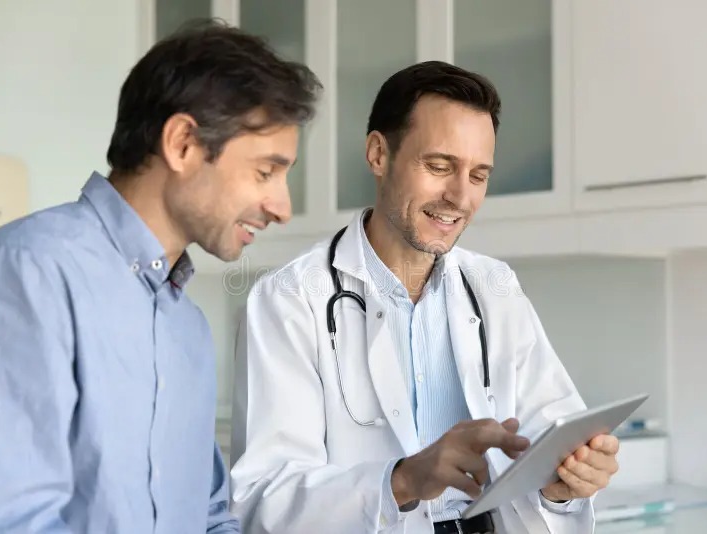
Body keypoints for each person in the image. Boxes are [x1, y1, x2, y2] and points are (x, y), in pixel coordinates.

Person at [230, 61, 620, 534]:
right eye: (439, 166)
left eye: (478, 176)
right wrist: (404, 481)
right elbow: (262, 501)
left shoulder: (495, 288)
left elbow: (550, 445)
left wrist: (567, 483)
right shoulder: (291, 299)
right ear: (378, 153)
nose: (459, 196)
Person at [0, 20, 321, 533]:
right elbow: (5, 520)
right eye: (265, 172)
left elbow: (208, 516)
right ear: (182, 143)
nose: (282, 207)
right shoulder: (30, 270)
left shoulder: (188, 329)